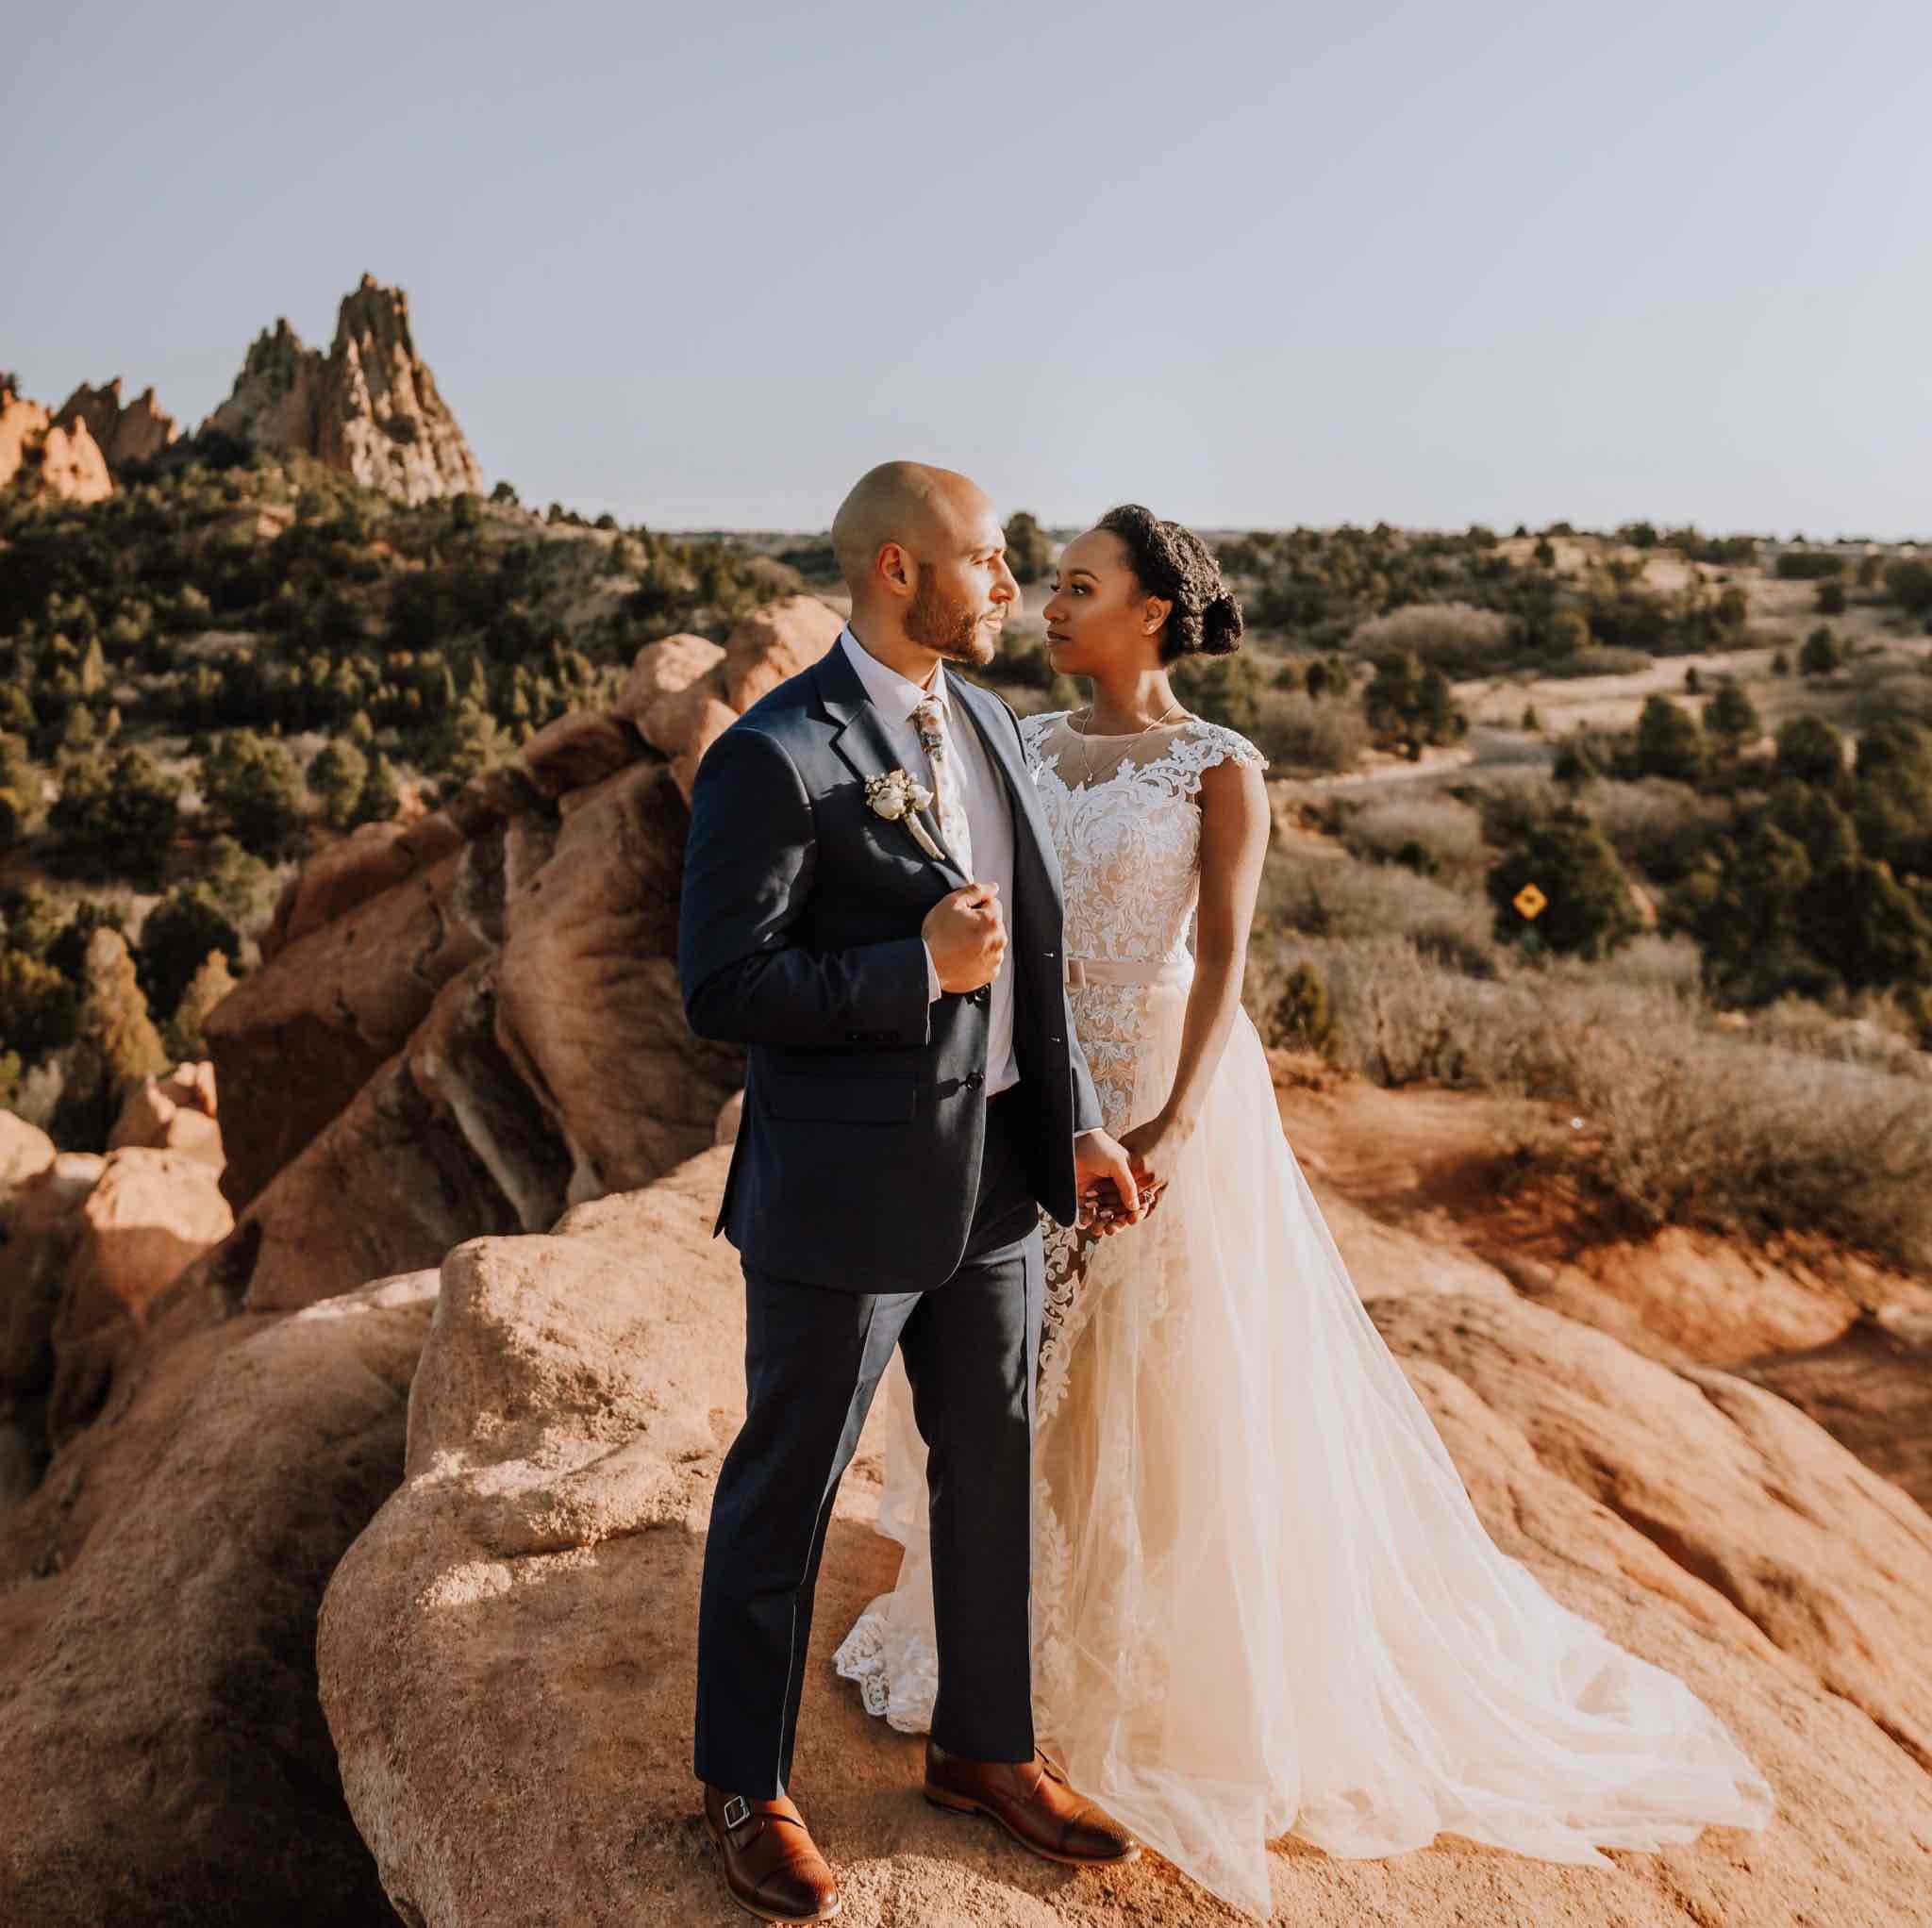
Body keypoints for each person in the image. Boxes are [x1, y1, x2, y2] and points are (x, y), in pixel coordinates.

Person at [835, 504, 1777, 1918]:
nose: (1050, 605)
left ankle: (1130, 1659)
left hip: (1159, 1092)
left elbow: (1223, 961)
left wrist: (1172, 1124)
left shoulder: (1219, 766)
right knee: (1020, 1368)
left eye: (1079, 585)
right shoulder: (1018, 741)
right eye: (1050, 584)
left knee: (1159, 1382)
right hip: (1035, 1089)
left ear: (1151, 612)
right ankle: (1001, 1640)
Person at [678, 461, 1155, 1924]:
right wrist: (912, 972)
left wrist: (1077, 1124)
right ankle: (744, 1787)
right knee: (790, 1486)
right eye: (988, 558)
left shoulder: (991, 721)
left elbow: (1040, 954)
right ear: (898, 569)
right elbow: (722, 987)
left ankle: (985, 1751)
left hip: (1001, 1177)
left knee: (993, 1472)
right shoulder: (773, 755)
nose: (1010, 582)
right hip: (842, 1194)